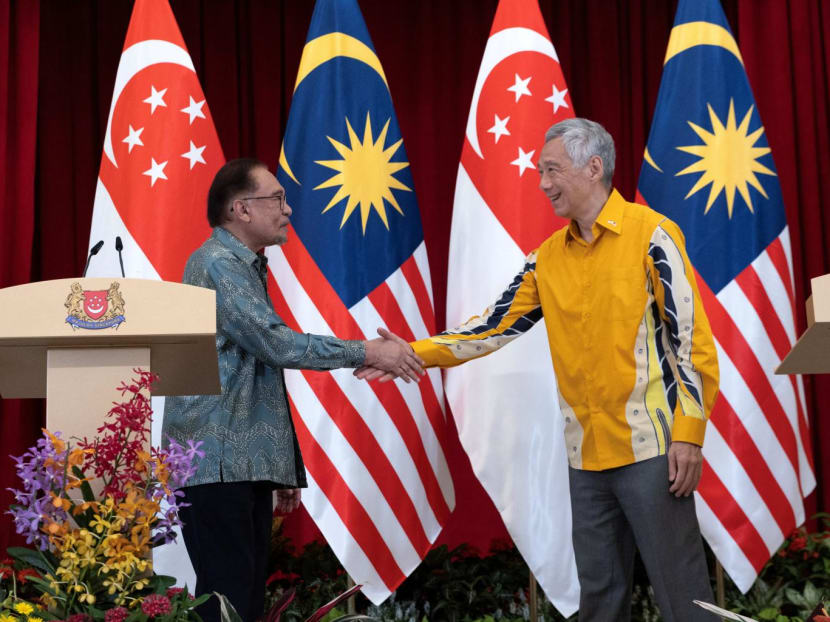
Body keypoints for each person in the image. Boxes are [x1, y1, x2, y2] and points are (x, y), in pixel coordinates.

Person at [358, 118, 719, 621]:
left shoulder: (653, 235)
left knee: (685, 597)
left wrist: (690, 433)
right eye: (540, 171)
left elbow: (691, 345)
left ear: (593, 168)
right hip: (585, 457)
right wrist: (412, 352)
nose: (543, 183)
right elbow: (490, 328)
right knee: (600, 601)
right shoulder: (546, 258)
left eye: (552, 170)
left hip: (655, 450)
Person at [163, 158, 424, 622]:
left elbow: (252, 371)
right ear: (241, 210)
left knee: (239, 598)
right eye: (277, 198)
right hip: (217, 463)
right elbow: (274, 343)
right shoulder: (218, 264)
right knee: (226, 601)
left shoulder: (243, 264)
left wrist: (280, 466)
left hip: (239, 463)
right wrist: (365, 351)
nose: (289, 209)